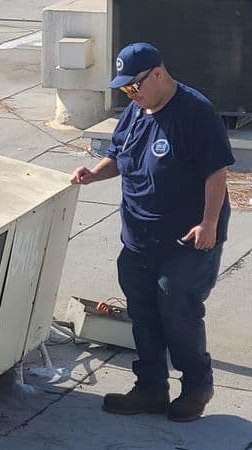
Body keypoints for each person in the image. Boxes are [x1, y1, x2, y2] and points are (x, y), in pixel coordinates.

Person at [70, 42, 235, 423]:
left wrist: (209, 223)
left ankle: (196, 387)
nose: (131, 93)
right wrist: (95, 174)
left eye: (134, 86)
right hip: (139, 238)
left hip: (186, 241)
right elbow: (120, 155)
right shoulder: (136, 111)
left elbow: (217, 172)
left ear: (158, 74)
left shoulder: (196, 113)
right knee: (143, 315)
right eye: (125, 88)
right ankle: (150, 388)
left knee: (178, 309)